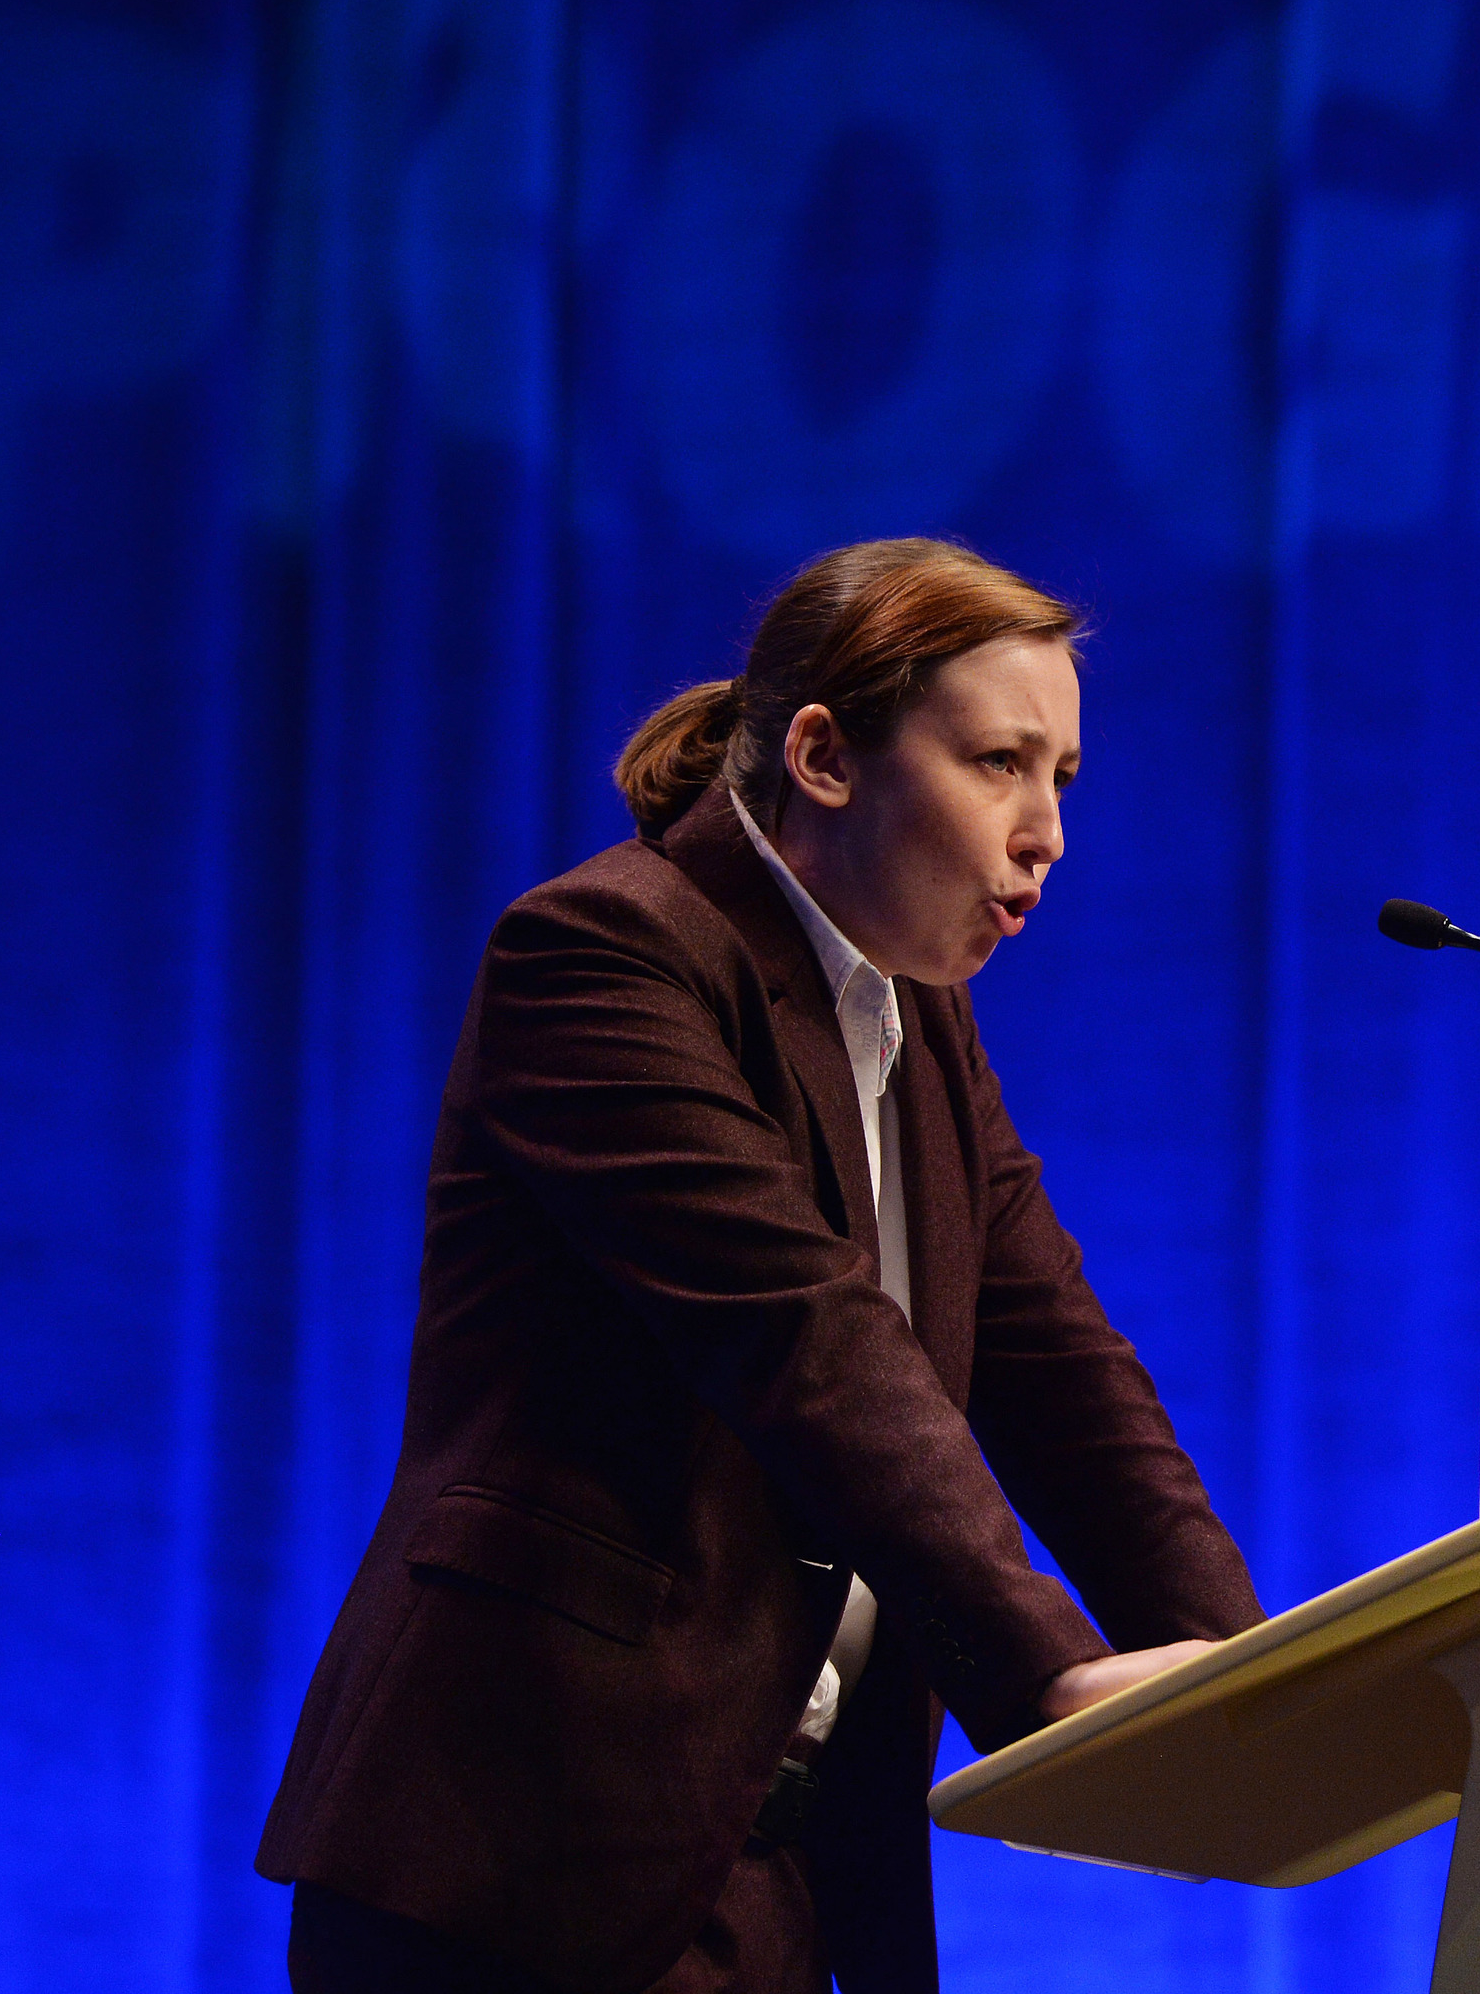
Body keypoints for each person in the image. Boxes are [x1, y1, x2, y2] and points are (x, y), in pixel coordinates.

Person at [258, 539, 1265, 1993]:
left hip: (773, 1872)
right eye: (998, 764)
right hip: (521, 1855)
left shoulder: (922, 1024)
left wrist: (1247, 1673)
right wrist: (1046, 1663)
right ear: (822, 755)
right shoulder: (604, 955)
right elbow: (806, 1343)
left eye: (1064, 780)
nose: (1046, 832)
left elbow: (1058, 1366)